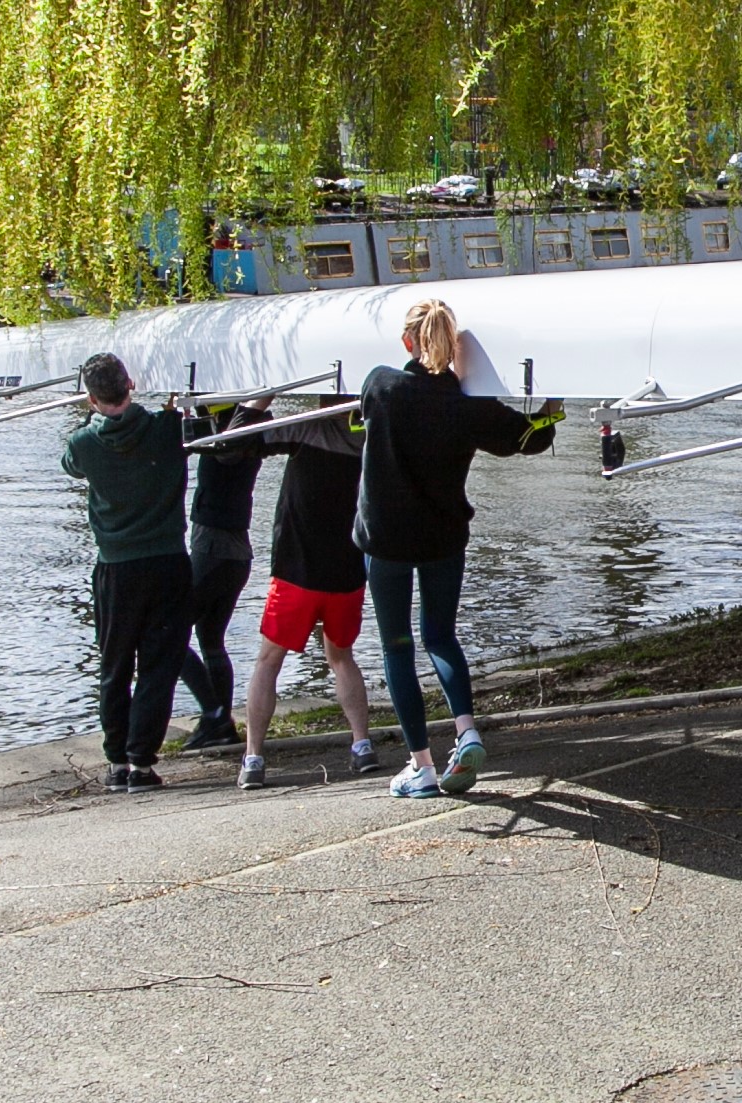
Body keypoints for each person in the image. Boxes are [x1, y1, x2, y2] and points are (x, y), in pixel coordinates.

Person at [354, 298, 561, 799]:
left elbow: (360, 424)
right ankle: (466, 729)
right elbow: (525, 440)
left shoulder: (379, 386)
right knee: (441, 637)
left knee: (397, 646)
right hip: (443, 536)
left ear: (407, 341)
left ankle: (420, 765)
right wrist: (550, 412)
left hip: (384, 539)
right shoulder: (468, 405)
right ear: (454, 347)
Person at [196, 399, 386, 790]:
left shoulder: (306, 428)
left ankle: (253, 757)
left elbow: (237, 441)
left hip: (296, 575)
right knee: (342, 659)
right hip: (346, 574)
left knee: (268, 662)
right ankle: (362, 745)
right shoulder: (374, 439)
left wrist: (255, 404)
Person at [58, 353, 192, 793]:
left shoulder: (83, 444)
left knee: (115, 664)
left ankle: (116, 760)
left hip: (115, 567)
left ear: (92, 399)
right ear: (131, 384)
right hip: (168, 562)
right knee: (159, 663)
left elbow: (71, 465)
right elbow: (182, 418)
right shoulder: (166, 430)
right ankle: (141, 761)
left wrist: (93, 419)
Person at [174, 401, 268, 753]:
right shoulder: (247, 438)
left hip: (214, 551)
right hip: (236, 555)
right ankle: (221, 724)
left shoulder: (232, 439)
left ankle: (214, 714)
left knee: (168, 632)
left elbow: (225, 437)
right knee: (210, 636)